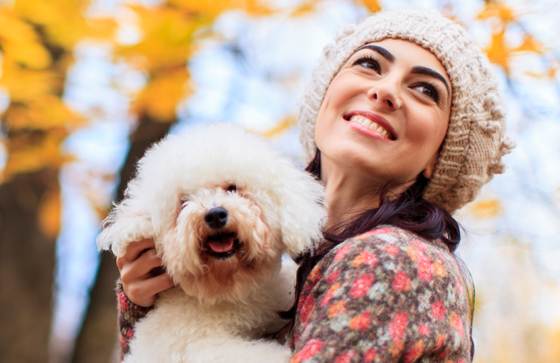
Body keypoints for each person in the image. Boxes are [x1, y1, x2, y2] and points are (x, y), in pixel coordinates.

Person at [115, 8, 515, 362]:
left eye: (425, 89)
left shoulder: (390, 258)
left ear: (439, 156)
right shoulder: (303, 268)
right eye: (369, 64)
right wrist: (144, 304)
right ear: (326, 96)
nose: (385, 90)